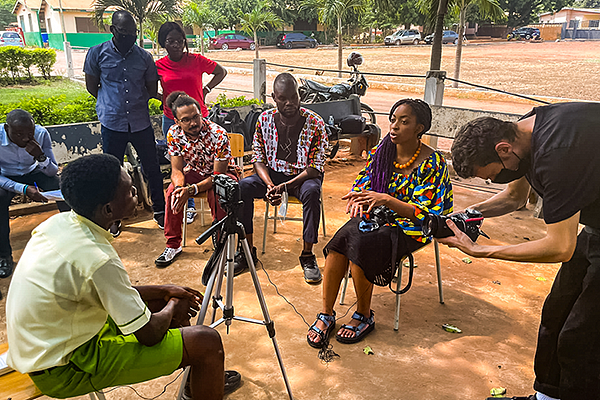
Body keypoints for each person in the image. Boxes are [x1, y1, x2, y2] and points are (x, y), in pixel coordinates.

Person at [5, 153, 241, 400]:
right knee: (207, 341)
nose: (137, 194)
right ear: (108, 209)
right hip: (64, 368)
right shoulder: (97, 258)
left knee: (165, 300)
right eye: (130, 191)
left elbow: (108, 291)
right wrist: (173, 303)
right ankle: (204, 365)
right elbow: (148, 334)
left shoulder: (60, 224)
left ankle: (202, 381)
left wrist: (164, 291)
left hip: (49, 342)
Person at [442, 102, 600, 400]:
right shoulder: (525, 131)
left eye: (490, 176)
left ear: (503, 150)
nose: (492, 182)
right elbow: (515, 197)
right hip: (596, 229)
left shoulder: (558, 155)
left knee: (583, 336)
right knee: (556, 312)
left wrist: (481, 251)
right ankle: (547, 398)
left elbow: (560, 247)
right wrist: (469, 213)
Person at [306, 99, 453, 348]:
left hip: (412, 227)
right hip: (376, 217)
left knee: (362, 244)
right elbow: (363, 182)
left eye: (404, 122)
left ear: (420, 128)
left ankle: (364, 315)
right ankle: (327, 314)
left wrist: (386, 199)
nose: (394, 126)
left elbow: (428, 215)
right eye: (393, 119)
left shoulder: (433, 163)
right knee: (340, 241)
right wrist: (359, 199)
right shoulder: (381, 152)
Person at [235, 73, 328, 283]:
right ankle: (248, 251)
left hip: (303, 177)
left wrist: (285, 186)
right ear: (274, 97)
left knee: (313, 192)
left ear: (299, 94)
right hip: (273, 176)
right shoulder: (264, 120)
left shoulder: (315, 123)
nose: (289, 103)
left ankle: (307, 255)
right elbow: (257, 159)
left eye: (293, 97)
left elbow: (315, 168)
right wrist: (270, 185)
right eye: (283, 98)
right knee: (243, 187)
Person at [83, 10, 166, 235]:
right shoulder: (96, 53)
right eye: (124, 32)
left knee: (152, 168)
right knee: (112, 172)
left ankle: (160, 211)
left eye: (133, 32)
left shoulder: (144, 57)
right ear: (113, 30)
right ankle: (114, 218)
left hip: (140, 122)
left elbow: (151, 89)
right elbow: (92, 87)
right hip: (112, 122)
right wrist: (112, 103)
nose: (130, 36)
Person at [155, 92, 239, 268]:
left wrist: (191, 190)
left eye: (195, 117)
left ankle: (222, 246)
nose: (193, 123)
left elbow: (218, 177)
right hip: (194, 171)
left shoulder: (218, 134)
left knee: (217, 195)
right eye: (186, 120)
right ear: (177, 121)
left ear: (201, 114)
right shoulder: (173, 133)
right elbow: (177, 169)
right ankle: (173, 245)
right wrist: (180, 189)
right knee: (172, 193)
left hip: (223, 174)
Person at [156, 21, 227, 226]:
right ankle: (188, 206)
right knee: (180, 165)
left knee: (202, 161)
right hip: (171, 118)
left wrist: (206, 90)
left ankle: (208, 201)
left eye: (180, 41)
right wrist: (163, 98)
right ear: (164, 43)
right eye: (171, 41)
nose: (176, 45)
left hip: (199, 117)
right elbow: (147, 86)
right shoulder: (159, 65)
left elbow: (221, 72)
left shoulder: (196, 60)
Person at [0, 109, 70, 278]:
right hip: (6, 176)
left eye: (29, 133)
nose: (25, 138)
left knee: (65, 190)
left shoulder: (40, 133)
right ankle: (3, 256)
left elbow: (52, 171)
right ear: (6, 128)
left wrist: (40, 156)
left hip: (34, 171)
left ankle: (74, 242)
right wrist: (23, 189)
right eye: (18, 134)